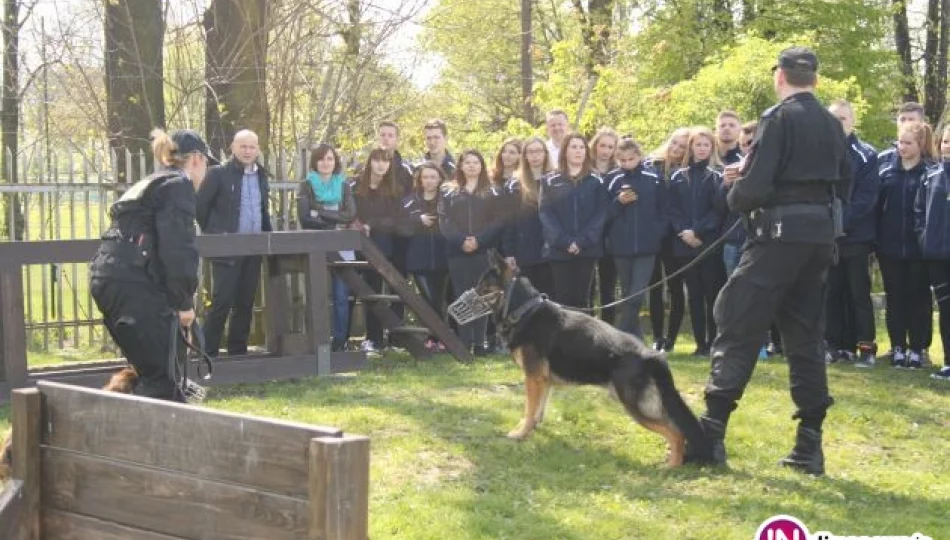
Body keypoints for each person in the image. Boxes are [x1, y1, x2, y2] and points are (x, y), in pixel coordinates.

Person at [687, 47, 852, 477]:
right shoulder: (833, 126)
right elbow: (845, 182)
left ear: (780, 76)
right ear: (813, 79)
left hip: (777, 238)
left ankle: (711, 434)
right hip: (819, 239)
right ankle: (809, 446)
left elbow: (756, 187)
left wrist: (734, 194)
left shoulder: (776, 119)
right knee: (805, 337)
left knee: (738, 321)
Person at [90, 128, 215, 402]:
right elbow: (178, 250)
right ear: (196, 159)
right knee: (161, 380)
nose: (206, 172)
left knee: (150, 373)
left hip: (107, 279)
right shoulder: (178, 186)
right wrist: (184, 304)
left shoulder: (151, 184)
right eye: (207, 163)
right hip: (134, 285)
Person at [196, 129, 273, 357]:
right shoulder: (218, 174)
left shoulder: (261, 175)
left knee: (246, 302)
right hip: (226, 249)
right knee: (222, 301)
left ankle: (238, 352)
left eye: (252, 147)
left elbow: (262, 209)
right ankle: (207, 352)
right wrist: (216, 234)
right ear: (233, 148)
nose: (248, 151)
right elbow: (201, 207)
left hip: (254, 247)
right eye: (243, 146)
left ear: (258, 149)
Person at [874, 121, 934, 370]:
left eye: (908, 143)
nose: (902, 147)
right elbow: (877, 210)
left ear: (920, 144)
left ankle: (918, 348)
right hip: (889, 248)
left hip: (918, 249)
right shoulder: (887, 172)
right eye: (900, 142)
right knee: (895, 298)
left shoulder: (930, 172)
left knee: (918, 299)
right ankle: (898, 347)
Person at [824, 99, 880, 367]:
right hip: (826, 237)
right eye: (833, 120)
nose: (838, 124)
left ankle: (866, 348)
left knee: (858, 293)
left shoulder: (866, 154)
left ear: (852, 121)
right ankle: (834, 346)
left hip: (855, 236)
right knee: (831, 292)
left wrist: (838, 224)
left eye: (843, 119)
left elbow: (866, 199)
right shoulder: (818, 153)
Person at [439, 149, 502, 355]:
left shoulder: (492, 191)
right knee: (462, 296)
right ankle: (464, 342)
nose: (472, 166)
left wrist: (478, 240)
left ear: (482, 166)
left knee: (481, 295)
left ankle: (479, 343)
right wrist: (461, 241)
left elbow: (497, 221)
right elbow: (444, 220)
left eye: (476, 162)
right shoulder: (448, 191)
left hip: (483, 251)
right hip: (457, 252)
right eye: (468, 162)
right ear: (461, 166)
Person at [604, 137, 667, 339]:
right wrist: (618, 202)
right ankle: (636, 341)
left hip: (647, 246)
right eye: (622, 160)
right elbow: (604, 213)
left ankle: (619, 337)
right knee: (627, 294)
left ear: (639, 156)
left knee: (637, 293)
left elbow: (664, 209)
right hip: (620, 246)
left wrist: (657, 234)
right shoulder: (612, 178)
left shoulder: (653, 177)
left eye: (631, 158)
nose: (627, 163)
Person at [298, 143, 358, 352]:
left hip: (342, 246)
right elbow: (305, 218)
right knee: (317, 296)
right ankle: (316, 343)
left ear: (336, 162)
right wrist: (333, 220)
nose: (326, 162)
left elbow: (350, 214)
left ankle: (340, 341)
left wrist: (320, 212)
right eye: (322, 158)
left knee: (342, 297)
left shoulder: (344, 185)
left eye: (330, 158)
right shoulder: (306, 185)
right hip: (316, 247)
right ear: (315, 162)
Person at [539, 133, 608, 309]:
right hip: (559, 249)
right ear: (565, 151)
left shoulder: (596, 180)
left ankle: (586, 337)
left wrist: (583, 241)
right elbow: (546, 213)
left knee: (583, 300)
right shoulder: (549, 180)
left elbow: (600, 214)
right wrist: (564, 241)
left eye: (581, 147)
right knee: (562, 300)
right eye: (573, 147)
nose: (578, 151)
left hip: (587, 249)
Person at [400, 162, 450, 351]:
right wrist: (417, 220)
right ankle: (436, 335)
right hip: (418, 258)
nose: (429, 181)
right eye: (425, 177)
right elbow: (400, 224)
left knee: (440, 298)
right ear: (420, 180)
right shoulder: (410, 201)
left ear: (439, 179)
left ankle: (440, 337)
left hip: (442, 257)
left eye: (433, 177)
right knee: (428, 299)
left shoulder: (447, 199)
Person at [915, 125, 950, 380]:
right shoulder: (931, 175)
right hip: (937, 255)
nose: (948, 146)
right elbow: (919, 211)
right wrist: (924, 238)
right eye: (946, 141)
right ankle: (948, 361)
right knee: (946, 310)